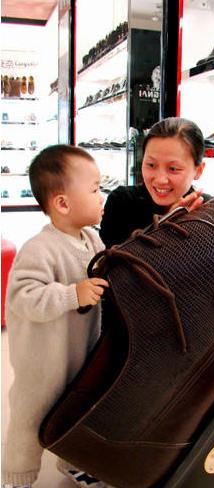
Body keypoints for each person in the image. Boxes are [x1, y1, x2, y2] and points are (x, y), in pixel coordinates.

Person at [2, 145, 109, 488]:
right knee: (30, 421)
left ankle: (75, 462)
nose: (101, 196)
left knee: (77, 415)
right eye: (94, 189)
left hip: (80, 356)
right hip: (43, 365)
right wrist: (71, 294)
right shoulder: (40, 248)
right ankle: (18, 475)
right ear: (63, 203)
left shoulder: (91, 239)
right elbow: (23, 297)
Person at [100, 117, 214, 248]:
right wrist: (164, 227)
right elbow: (111, 264)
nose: (160, 180)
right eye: (151, 165)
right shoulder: (122, 202)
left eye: (173, 169)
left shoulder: (209, 209)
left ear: (198, 170)